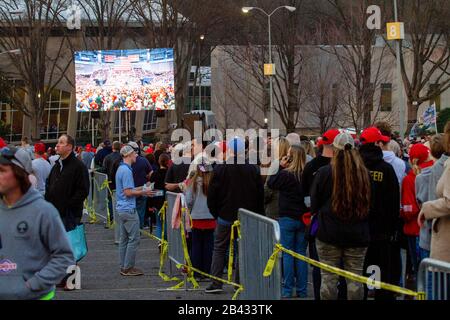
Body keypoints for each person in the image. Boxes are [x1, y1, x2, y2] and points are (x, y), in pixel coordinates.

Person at [0, 147, 74, 300]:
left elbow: (64, 257)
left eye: (2, 170)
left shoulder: (43, 211)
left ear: (19, 173)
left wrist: (34, 284)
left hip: (35, 296)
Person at [311, 132, 371, 300]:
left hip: (329, 233)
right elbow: (369, 202)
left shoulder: (324, 173)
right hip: (357, 233)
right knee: (355, 281)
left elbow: (315, 202)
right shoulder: (364, 174)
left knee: (329, 279)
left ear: (335, 150)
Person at [205, 137, 264, 293]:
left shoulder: (220, 169)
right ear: (244, 150)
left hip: (225, 215)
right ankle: (239, 282)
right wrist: (257, 214)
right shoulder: (252, 169)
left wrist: (216, 213)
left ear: (230, 150)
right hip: (245, 216)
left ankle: (216, 282)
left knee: (219, 248)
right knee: (241, 249)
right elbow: (259, 195)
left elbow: (212, 195)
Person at [359, 127, 402, 300]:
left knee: (358, 272)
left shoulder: (355, 167)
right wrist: (393, 228)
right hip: (381, 231)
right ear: (376, 144)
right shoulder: (386, 169)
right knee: (382, 273)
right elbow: (393, 201)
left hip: (358, 228)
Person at [302, 128, 340, 300]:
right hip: (333, 222)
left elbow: (305, 195)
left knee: (320, 266)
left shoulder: (312, 166)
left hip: (318, 222)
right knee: (335, 267)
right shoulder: (342, 167)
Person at [267, 145, 309, 298]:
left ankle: (287, 289)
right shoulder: (307, 174)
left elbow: (271, 182)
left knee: (287, 255)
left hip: (287, 218)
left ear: (290, 157)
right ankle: (302, 290)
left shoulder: (285, 175)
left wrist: (279, 165)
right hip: (303, 218)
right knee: (301, 254)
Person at [115, 145, 155, 276]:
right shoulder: (126, 171)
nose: (136, 156)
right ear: (128, 155)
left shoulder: (122, 169)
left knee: (125, 239)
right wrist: (144, 191)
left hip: (122, 208)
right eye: (133, 153)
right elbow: (127, 192)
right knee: (134, 239)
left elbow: (127, 189)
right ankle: (128, 267)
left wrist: (143, 189)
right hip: (128, 208)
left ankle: (124, 266)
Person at [401, 143, 434, 287]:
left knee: (420, 273)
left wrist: (401, 214)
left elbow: (409, 209)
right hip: (435, 229)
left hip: (415, 229)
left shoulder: (410, 179)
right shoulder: (439, 170)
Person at [418, 122, 450, 264]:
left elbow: (448, 201)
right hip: (440, 236)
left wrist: (427, 209)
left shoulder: (441, 166)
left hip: (444, 239)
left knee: (434, 284)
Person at [45, 134, 90, 232]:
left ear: (69, 146)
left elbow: (83, 191)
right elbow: (49, 185)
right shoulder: (56, 166)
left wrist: (67, 206)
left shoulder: (78, 166)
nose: (57, 145)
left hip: (69, 216)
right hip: (54, 214)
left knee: (69, 245)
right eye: (58, 142)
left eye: (61, 142)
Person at [184, 160, 216, 278]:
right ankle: (207, 271)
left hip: (196, 217)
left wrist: (191, 211)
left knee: (196, 245)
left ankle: (197, 271)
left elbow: (188, 201)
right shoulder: (213, 183)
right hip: (210, 218)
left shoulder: (192, 183)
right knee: (209, 245)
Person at [264, 136, 290, 220]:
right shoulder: (292, 163)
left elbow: (268, 189)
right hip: (287, 209)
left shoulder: (276, 164)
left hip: (275, 209)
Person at [128, 141, 152, 229]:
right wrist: (147, 178)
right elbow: (151, 173)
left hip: (130, 190)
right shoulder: (143, 160)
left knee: (131, 211)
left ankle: (134, 228)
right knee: (140, 211)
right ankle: (139, 228)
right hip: (142, 189)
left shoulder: (127, 162)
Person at [149, 153, 170, 238]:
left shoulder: (155, 174)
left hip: (157, 199)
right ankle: (166, 240)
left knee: (159, 223)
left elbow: (151, 188)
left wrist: (151, 203)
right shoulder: (169, 172)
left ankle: (160, 242)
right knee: (166, 222)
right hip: (168, 199)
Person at [102, 141, 122, 224]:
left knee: (110, 199)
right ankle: (119, 217)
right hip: (120, 181)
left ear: (112, 147)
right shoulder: (121, 157)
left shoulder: (107, 157)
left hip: (110, 181)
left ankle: (111, 217)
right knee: (120, 199)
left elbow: (104, 169)